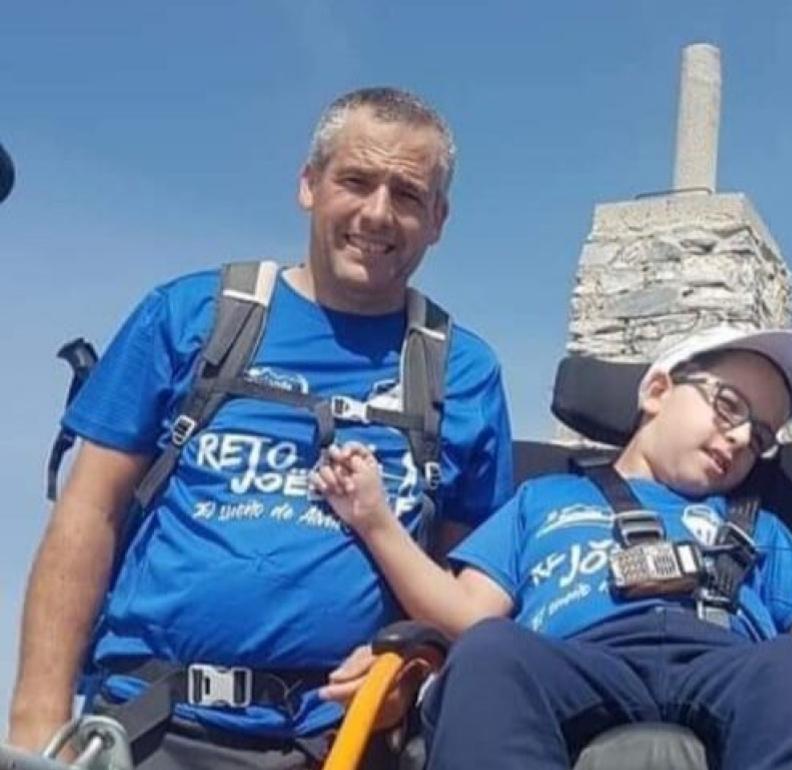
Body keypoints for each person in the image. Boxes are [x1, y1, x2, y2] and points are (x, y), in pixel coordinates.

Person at [6, 86, 513, 768]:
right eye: (356, 181)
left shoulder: (464, 371)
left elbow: (468, 591)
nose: (378, 213)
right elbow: (87, 512)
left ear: (439, 218)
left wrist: (417, 663)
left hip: (338, 741)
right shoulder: (192, 316)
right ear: (309, 184)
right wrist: (36, 726)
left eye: (408, 195)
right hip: (149, 730)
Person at [314, 324, 792, 770]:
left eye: (762, 433)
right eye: (726, 405)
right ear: (656, 391)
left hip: (723, 657)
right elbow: (467, 613)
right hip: (572, 656)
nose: (741, 435)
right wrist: (377, 520)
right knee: (489, 655)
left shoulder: (758, 526)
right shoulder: (545, 500)